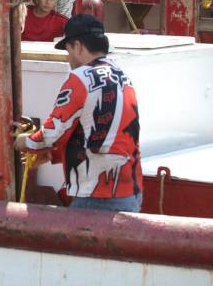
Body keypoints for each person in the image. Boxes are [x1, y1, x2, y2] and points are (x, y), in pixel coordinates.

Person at [14, 15, 143, 212]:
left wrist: (25, 141)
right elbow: (105, 130)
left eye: (68, 50)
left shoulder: (80, 78)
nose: (68, 57)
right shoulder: (122, 76)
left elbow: (51, 133)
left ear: (78, 46)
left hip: (96, 194)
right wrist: (52, 155)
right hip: (130, 190)